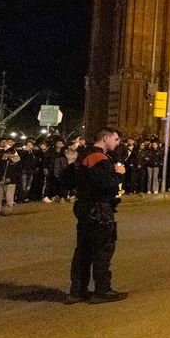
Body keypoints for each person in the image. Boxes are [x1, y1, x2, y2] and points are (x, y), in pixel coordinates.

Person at [67, 128, 128, 305]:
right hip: (98, 208)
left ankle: (77, 291)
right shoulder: (98, 158)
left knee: (83, 249)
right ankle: (102, 290)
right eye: (116, 139)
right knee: (103, 249)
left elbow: (70, 180)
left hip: (85, 206)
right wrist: (119, 174)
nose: (117, 143)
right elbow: (105, 184)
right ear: (106, 138)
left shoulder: (83, 156)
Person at [0, 138, 21, 216]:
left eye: (11, 154)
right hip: (0, 180)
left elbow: (17, 172)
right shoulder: (3, 161)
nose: (9, 155)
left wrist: (10, 178)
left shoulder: (17, 162)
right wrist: (2, 160)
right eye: (8, 153)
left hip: (10, 182)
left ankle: (8, 210)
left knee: (9, 197)